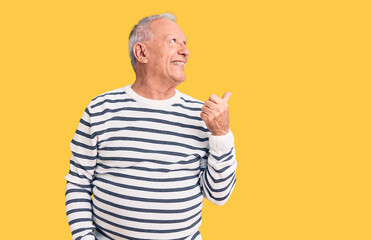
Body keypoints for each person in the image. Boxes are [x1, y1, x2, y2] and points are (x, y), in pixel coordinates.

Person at [65, 13, 237, 240]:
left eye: (185, 43)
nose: (185, 51)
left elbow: (219, 195)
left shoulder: (203, 115)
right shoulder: (101, 108)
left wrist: (221, 134)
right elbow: (78, 183)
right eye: (173, 41)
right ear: (142, 52)